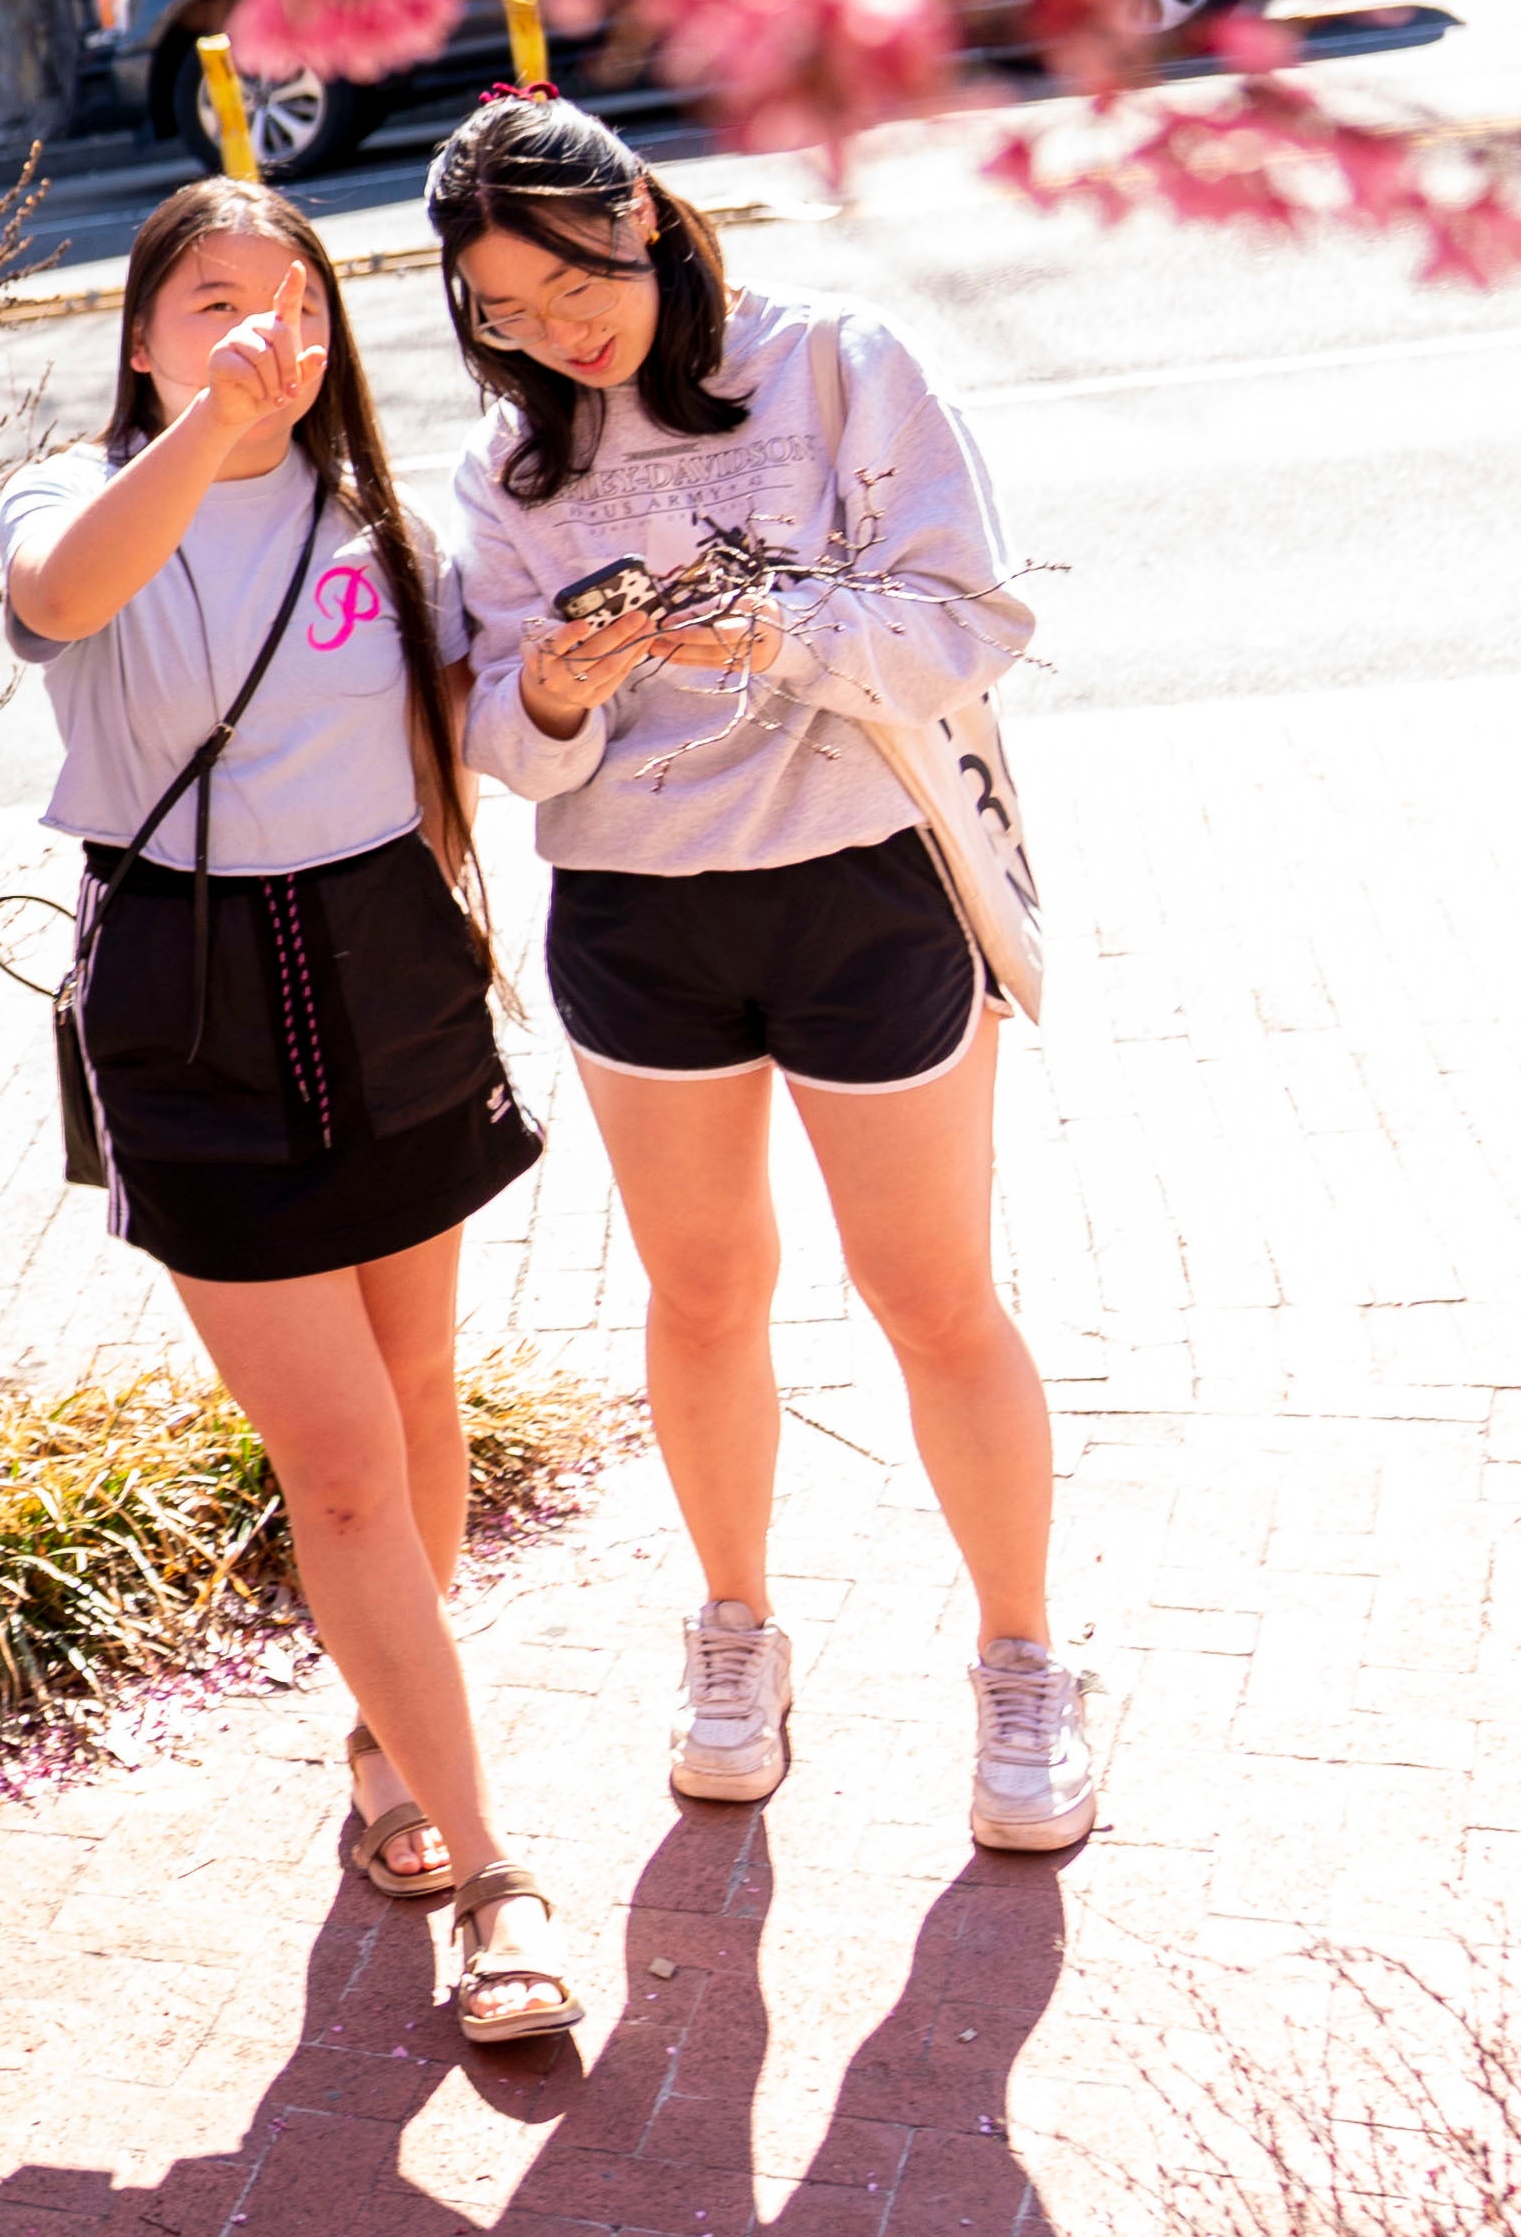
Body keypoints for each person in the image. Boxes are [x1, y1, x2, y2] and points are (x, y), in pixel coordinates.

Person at [419, 91, 1098, 1856]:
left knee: (931, 1292)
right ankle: (735, 1632)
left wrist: (779, 625)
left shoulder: (838, 364)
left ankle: (1026, 1660)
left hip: (864, 884)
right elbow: (508, 735)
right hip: (642, 919)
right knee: (703, 1293)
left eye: (569, 280)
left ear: (637, 221)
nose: (557, 330)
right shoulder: (508, 478)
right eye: (504, 310)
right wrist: (564, 688)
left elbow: (970, 620)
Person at [0, 174, 578, 2040]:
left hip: (387, 967)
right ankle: (498, 1883)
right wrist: (208, 434)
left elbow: (444, 764)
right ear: (145, 335)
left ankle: (391, 1761)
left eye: (296, 304)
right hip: (192, 997)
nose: (263, 331)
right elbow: (57, 599)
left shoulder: (378, 528)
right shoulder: (86, 503)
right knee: (338, 1465)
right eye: (215, 302)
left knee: (417, 1401)